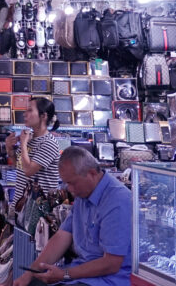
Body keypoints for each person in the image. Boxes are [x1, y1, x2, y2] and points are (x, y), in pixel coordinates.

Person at [15, 147, 131, 286]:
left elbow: (111, 263)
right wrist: (30, 273)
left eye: (72, 183)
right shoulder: (83, 194)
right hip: (81, 273)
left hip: (107, 280)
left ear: (92, 173)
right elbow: (62, 236)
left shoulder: (117, 201)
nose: (69, 189)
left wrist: (65, 274)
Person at [7, 97, 61, 208]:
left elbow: (28, 171)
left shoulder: (48, 143)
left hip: (38, 210)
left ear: (43, 116)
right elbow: (20, 167)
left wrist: (23, 144)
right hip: (20, 205)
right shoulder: (29, 138)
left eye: (30, 110)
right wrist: (10, 150)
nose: (24, 114)